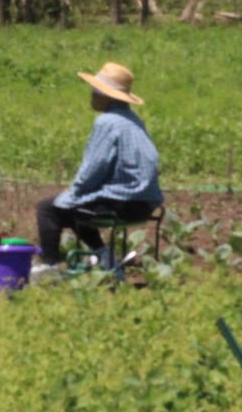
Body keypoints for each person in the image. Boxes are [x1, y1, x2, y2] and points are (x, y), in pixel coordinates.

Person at [35, 62, 163, 272]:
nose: (92, 95)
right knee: (77, 204)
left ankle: (49, 265)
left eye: (96, 91)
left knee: (50, 208)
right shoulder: (132, 120)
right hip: (146, 201)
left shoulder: (107, 122)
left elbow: (95, 167)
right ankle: (105, 257)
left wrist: (74, 190)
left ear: (108, 95)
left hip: (124, 201)